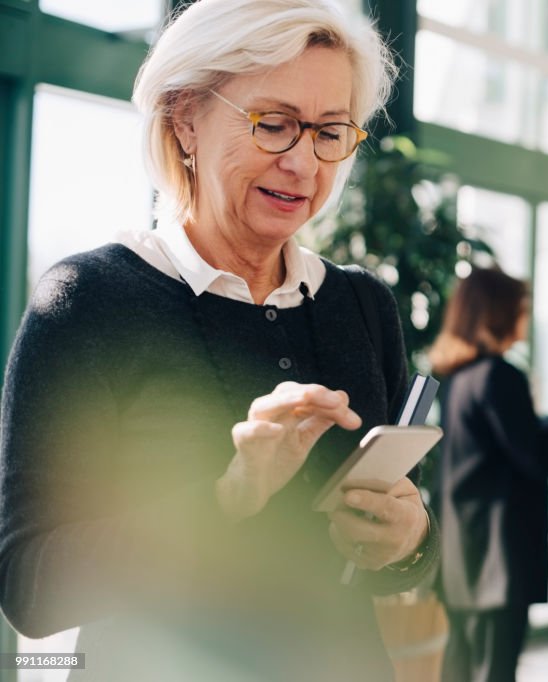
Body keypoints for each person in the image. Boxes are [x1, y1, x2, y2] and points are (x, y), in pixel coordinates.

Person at [0, 2, 437, 680]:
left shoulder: (361, 303)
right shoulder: (89, 300)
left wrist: (409, 539)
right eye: (274, 124)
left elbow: (387, 560)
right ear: (184, 118)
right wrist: (228, 495)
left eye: (328, 131)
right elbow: (29, 588)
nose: (302, 162)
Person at [428, 268, 548, 682]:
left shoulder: (458, 378)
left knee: (460, 664)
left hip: (462, 554)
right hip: (496, 558)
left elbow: (502, 448)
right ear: (500, 313)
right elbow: (536, 458)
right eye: (521, 308)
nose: (526, 317)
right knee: (494, 670)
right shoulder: (500, 375)